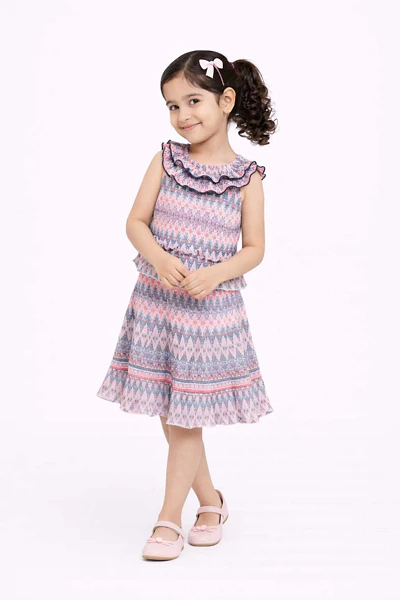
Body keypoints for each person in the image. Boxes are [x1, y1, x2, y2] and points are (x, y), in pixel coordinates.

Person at [96, 50, 278, 561]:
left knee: (185, 420)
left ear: (226, 100)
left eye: (193, 101)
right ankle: (211, 503)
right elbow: (135, 222)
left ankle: (168, 519)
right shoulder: (165, 160)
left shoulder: (246, 178)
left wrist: (214, 273)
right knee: (175, 416)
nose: (182, 115)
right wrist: (158, 258)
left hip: (208, 315)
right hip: (157, 304)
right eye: (172, 106)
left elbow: (255, 249)